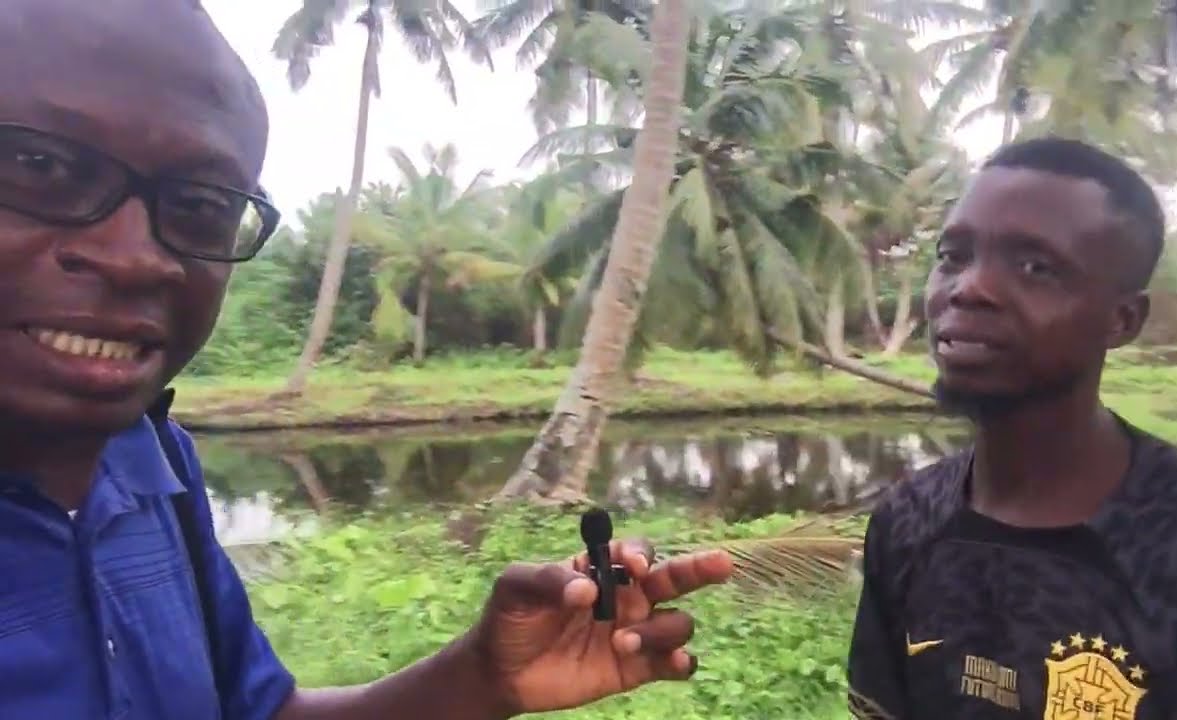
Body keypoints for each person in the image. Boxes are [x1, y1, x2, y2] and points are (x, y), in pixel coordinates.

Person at [0, 1, 735, 718]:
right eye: (38, 166)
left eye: (198, 205)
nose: (135, 259)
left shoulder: (152, 459)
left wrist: (482, 678)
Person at [845, 137, 1177, 720]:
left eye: (1035, 267)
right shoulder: (905, 522)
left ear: (1122, 320)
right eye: (953, 255)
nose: (968, 287)